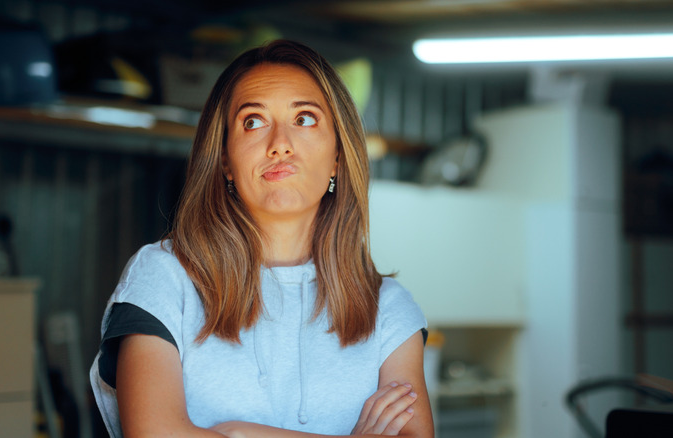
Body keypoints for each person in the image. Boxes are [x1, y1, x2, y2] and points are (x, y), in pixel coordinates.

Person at [90, 39, 433, 438]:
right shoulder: (164, 279)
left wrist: (240, 433)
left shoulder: (389, 310)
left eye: (305, 119)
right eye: (253, 121)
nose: (279, 144)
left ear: (338, 154)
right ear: (225, 161)